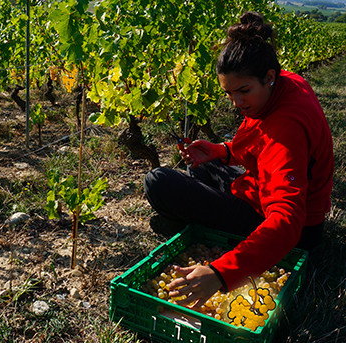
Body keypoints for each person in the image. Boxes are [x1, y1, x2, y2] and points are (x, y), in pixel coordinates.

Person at [143, 11, 334, 308]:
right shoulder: (287, 84)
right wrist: (222, 151)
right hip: (262, 188)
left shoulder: (286, 131)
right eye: (229, 94)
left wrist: (220, 273)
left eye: (243, 92)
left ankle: (201, 226)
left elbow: (286, 221)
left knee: (159, 183)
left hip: (296, 235)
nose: (237, 103)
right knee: (203, 165)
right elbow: (261, 142)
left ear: (268, 77)